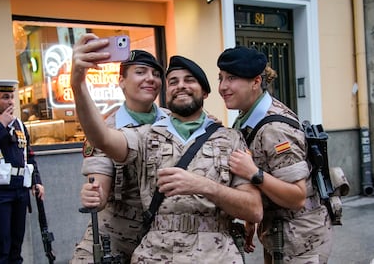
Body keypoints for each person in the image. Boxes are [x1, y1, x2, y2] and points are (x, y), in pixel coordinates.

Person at [70, 33, 263, 263]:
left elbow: (254, 210)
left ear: (205, 93)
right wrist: (78, 83)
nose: (180, 85)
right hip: (154, 253)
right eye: (173, 81)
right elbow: (101, 138)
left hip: (216, 254)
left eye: (190, 80)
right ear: (167, 93)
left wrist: (204, 186)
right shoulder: (146, 135)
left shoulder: (229, 138)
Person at [217, 46, 333, 263]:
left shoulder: (276, 129)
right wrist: (252, 221)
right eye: (221, 78)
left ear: (256, 82)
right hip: (279, 234)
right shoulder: (247, 117)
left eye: (231, 78)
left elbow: (297, 196)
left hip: (301, 241)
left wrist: (254, 173)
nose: (223, 87)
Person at [70, 49, 169, 263]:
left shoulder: (175, 122)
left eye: (156, 74)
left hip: (165, 232)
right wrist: (94, 195)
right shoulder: (104, 129)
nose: (150, 79)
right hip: (117, 232)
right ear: (121, 81)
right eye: (141, 72)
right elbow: (101, 187)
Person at [0, 79, 45, 264]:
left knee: (15, 248)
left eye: (12, 97)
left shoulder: (19, 124)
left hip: (19, 191)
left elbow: (29, 155)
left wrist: (37, 181)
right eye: (5, 97)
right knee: (0, 249)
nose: (11, 102)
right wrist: (1, 124)